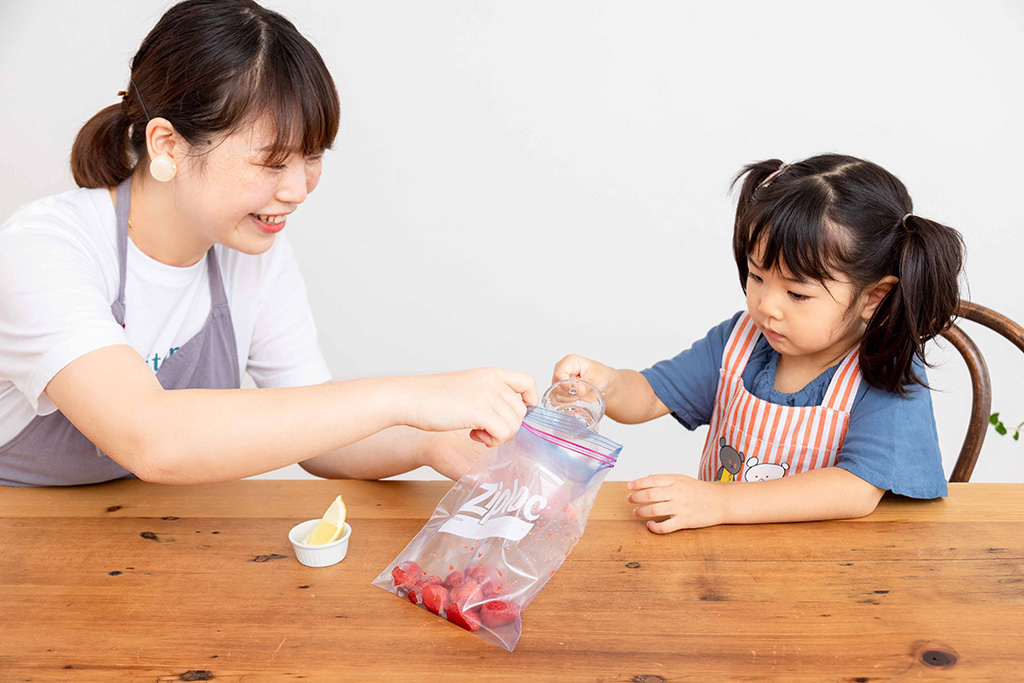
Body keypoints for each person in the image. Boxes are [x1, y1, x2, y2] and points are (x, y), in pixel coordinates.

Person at [0, 0, 536, 487]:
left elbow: (326, 438)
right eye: (272, 161)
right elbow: (153, 439)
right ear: (167, 145)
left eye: (313, 156)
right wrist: (407, 395)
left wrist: (430, 440)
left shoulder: (249, 250)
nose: (298, 189)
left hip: (143, 536)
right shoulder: (44, 249)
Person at [552, 154, 964, 533]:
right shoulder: (739, 342)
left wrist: (718, 503)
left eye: (797, 294)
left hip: (830, 577)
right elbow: (648, 395)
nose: (766, 307)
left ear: (872, 298)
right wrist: (605, 385)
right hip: (724, 570)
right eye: (756, 277)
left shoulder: (885, 369)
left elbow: (856, 490)